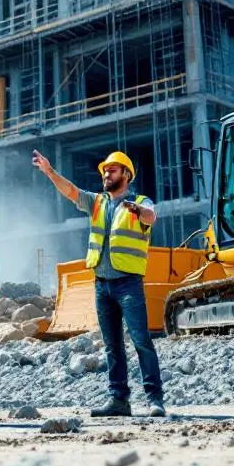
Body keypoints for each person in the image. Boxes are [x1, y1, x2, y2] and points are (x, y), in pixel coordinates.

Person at [32, 148, 165, 418]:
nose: (106, 173)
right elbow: (70, 191)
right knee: (112, 345)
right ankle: (119, 400)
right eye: (105, 170)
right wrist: (49, 172)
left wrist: (138, 211)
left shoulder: (140, 201)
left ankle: (155, 400)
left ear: (126, 175)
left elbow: (152, 216)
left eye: (112, 170)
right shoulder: (97, 202)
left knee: (141, 341)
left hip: (128, 285)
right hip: (102, 285)